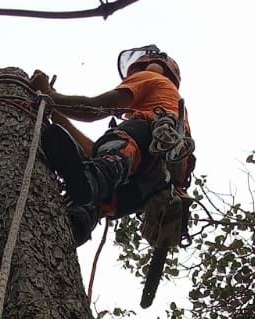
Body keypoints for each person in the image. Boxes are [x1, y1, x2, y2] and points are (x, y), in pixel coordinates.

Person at [30, 46, 194, 245]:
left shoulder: (151, 78)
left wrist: (47, 93)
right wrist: (55, 114)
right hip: (152, 188)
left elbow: (93, 108)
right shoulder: (168, 115)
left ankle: (91, 192)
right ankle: (74, 226)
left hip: (152, 141)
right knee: (100, 196)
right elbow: (93, 154)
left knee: (113, 154)